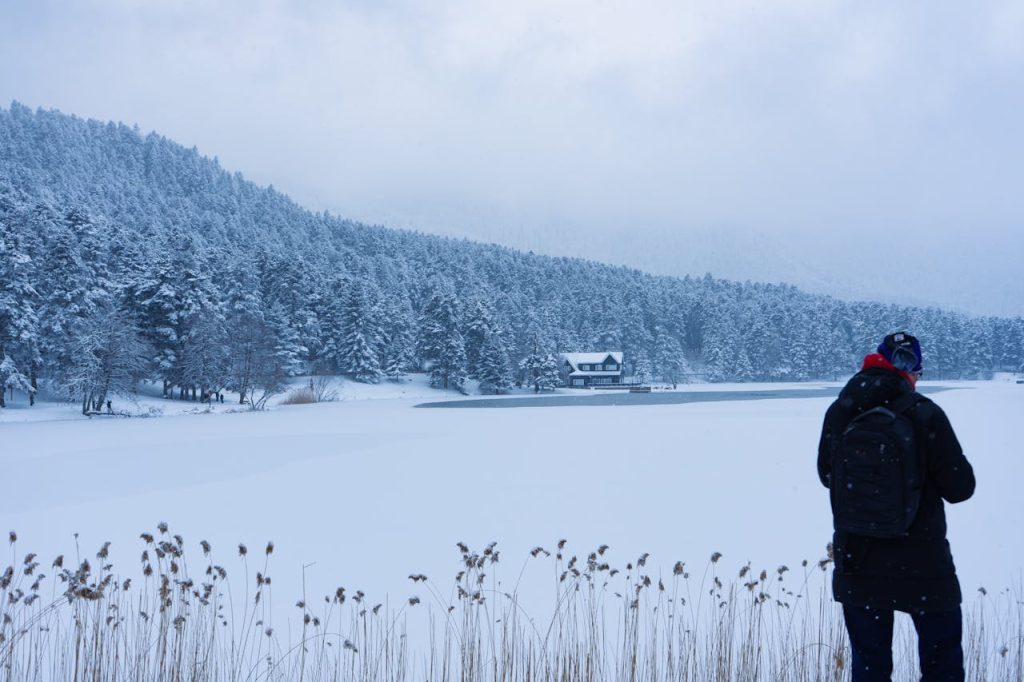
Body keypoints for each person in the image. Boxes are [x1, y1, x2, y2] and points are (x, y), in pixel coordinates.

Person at [818, 332, 975, 681]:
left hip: (857, 561)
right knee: (942, 665)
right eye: (918, 372)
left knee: (870, 669)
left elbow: (826, 474)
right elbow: (961, 488)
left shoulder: (841, 410)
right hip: (923, 566)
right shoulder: (925, 414)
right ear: (909, 371)